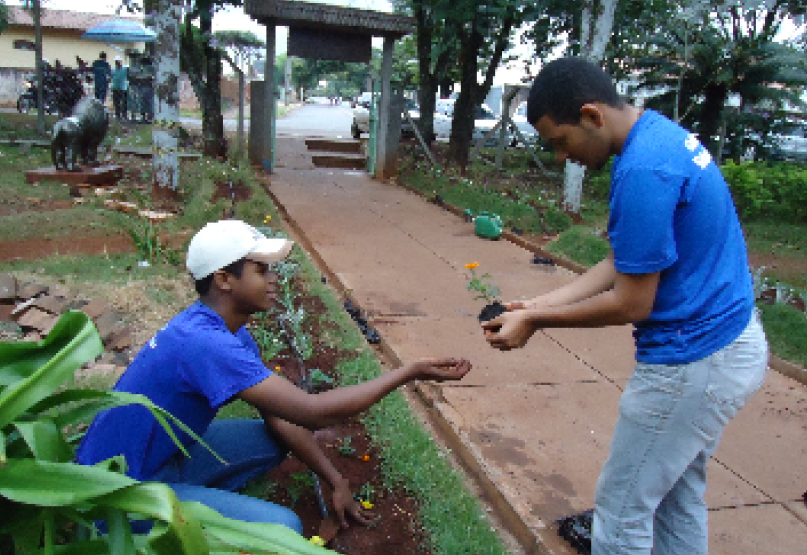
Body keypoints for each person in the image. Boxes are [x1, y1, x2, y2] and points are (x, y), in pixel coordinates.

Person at [481, 57, 769, 555]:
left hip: (692, 362)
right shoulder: (657, 135)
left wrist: (536, 320)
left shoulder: (642, 169)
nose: (559, 157)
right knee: (676, 499)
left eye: (559, 141)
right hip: (726, 348)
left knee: (621, 514)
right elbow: (625, 262)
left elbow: (632, 302)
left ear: (592, 116)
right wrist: (537, 302)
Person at [77, 219, 471, 534]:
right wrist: (407, 372)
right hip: (119, 495)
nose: (273, 279)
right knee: (284, 529)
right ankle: (166, 522)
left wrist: (335, 479)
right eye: (260, 269)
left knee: (272, 437)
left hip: (165, 454)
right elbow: (312, 412)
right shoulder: (205, 343)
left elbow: (282, 416)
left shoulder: (226, 332)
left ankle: (195, 499)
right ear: (224, 279)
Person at [111, 56, 129, 120]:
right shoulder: (113, 69)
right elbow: (111, 76)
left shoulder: (125, 69)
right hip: (115, 88)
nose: (117, 63)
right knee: (116, 103)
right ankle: (118, 115)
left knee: (124, 102)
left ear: (121, 62)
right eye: (116, 62)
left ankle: (124, 114)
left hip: (123, 88)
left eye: (118, 61)